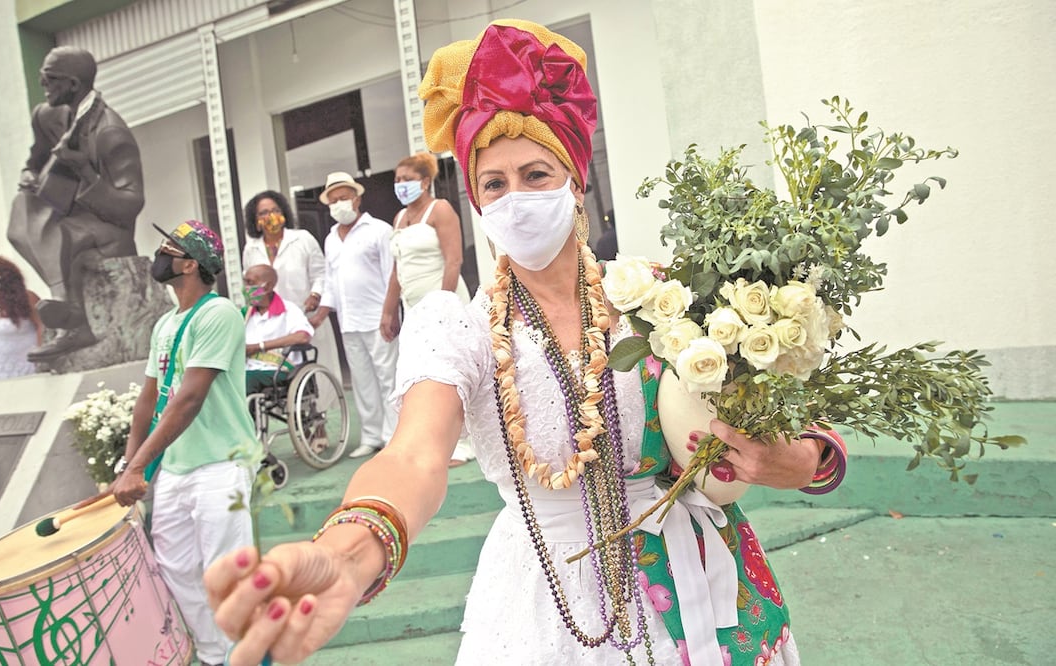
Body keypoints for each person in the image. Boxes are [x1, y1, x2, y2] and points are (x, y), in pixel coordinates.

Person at [205, 20, 843, 666]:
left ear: (575, 181)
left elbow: (781, 416)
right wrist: (350, 549)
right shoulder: (460, 328)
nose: (516, 198)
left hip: (702, 575)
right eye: (493, 183)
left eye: (536, 174)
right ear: (476, 203)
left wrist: (805, 457)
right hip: (546, 604)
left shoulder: (660, 295)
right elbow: (414, 457)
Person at [110, 220, 260, 666]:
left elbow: (190, 396)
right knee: (176, 573)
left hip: (222, 465)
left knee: (226, 575)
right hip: (176, 468)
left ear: (190, 264)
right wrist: (128, 462)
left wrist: (139, 466)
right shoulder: (165, 323)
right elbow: (150, 397)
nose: (159, 255)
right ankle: (216, 656)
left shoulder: (219, 314)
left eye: (167, 249)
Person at [8, 46, 144, 360]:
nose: (43, 84)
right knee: (21, 212)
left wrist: (84, 169)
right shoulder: (46, 115)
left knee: (59, 232)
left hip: (108, 226)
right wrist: (29, 174)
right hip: (64, 209)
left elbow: (130, 205)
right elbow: (35, 158)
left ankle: (75, 322)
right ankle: (66, 303)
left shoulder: (111, 132)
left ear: (72, 84)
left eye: (49, 79)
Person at [381, 151, 475, 466]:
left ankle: (464, 443)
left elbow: (454, 260)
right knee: (419, 374)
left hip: (442, 303)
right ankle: (432, 439)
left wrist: (442, 306)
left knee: (451, 371)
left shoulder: (440, 209)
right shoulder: (399, 218)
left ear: (424, 182)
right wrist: (389, 309)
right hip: (413, 308)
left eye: (406, 180)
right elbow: (398, 269)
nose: (400, 185)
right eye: (396, 180)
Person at [315, 171, 398, 459]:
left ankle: (392, 436)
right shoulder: (330, 239)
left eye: (344, 198)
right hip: (348, 321)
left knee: (388, 377)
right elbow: (329, 280)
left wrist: (390, 312)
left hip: (378, 318)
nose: (339, 204)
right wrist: (321, 313)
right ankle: (371, 436)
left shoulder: (379, 230)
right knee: (362, 381)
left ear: (357, 198)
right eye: (333, 200)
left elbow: (392, 275)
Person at [240, 191, 341, 382]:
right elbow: (251, 283)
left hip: (304, 317)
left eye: (275, 210)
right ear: (255, 220)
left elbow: (321, 275)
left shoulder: (302, 239)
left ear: (284, 212)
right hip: (270, 324)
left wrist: (315, 294)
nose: (270, 216)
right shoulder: (250, 248)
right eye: (263, 213)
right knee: (275, 376)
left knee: (315, 377)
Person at [242, 264, 314, 394]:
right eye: (245, 283)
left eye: (250, 283)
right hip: (248, 368)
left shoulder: (288, 310)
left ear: (268, 286)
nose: (246, 289)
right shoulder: (244, 314)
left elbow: (303, 336)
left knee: (246, 380)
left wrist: (260, 347)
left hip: (280, 370)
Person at [0, 256, 42, 381]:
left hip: (28, 371)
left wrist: (41, 358)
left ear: (4, 275)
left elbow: (43, 326)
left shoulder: (26, 298)